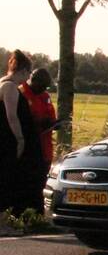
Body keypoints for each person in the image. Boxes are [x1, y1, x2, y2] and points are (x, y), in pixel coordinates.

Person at [1, 50, 43, 215]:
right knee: (14, 177)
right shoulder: (10, 87)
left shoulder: (3, 83)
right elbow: (12, 116)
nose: (28, 78)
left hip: (6, 139)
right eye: (29, 73)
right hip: (10, 140)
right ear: (24, 71)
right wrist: (20, 139)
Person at [19, 68, 62, 214]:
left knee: (41, 182)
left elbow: (50, 115)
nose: (43, 89)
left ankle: (38, 214)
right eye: (41, 86)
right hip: (28, 148)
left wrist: (54, 123)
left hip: (44, 148)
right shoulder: (22, 93)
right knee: (27, 182)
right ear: (34, 81)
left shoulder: (44, 96)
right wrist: (38, 123)